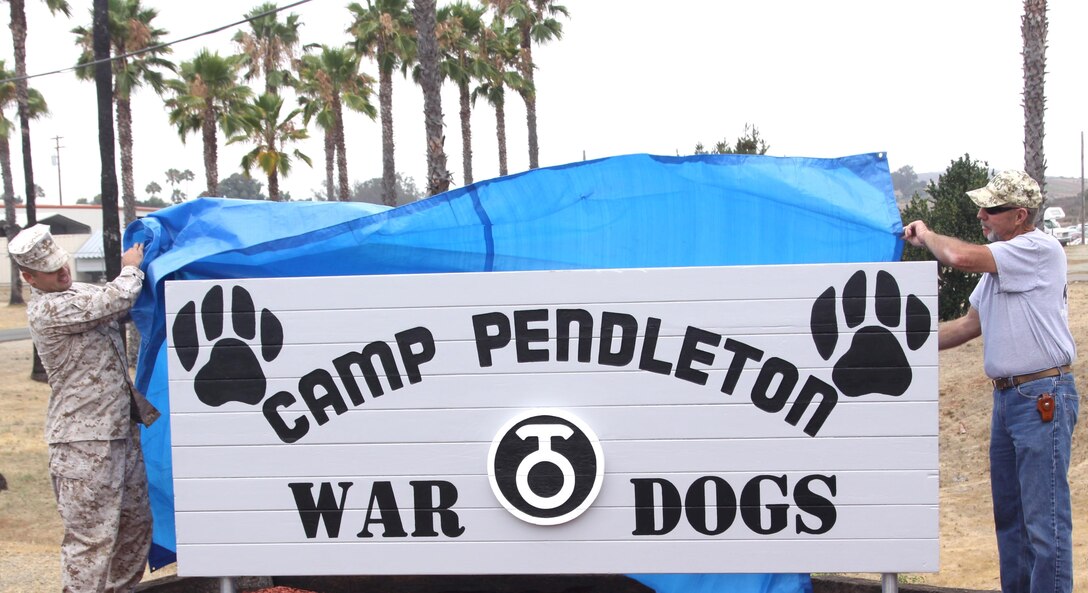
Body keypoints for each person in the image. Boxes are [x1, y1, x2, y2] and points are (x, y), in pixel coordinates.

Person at [903, 170, 1078, 593]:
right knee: (1013, 523)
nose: (981, 214)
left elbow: (960, 258)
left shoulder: (1035, 248)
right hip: (1012, 400)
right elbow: (967, 325)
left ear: (1020, 215)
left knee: (1044, 523)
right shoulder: (1000, 266)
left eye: (992, 209)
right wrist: (902, 346)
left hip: (1040, 397)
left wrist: (925, 234)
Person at [9, 224, 159, 593]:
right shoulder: (48, 308)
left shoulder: (78, 292)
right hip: (82, 442)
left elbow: (125, 299)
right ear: (29, 277)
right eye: (51, 270)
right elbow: (116, 298)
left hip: (120, 432)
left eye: (63, 263)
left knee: (135, 526)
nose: (63, 271)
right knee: (92, 540)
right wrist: (131, 267)